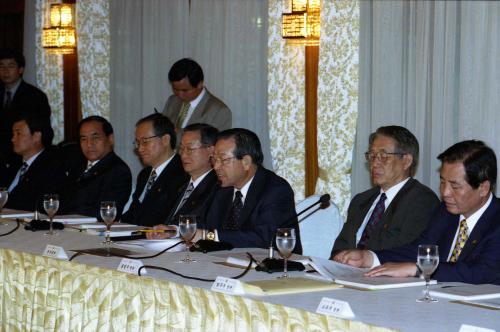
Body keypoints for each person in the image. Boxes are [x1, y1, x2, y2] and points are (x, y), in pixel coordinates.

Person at [334, 140, 500, 285]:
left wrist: (419, 269)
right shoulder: (446, 211)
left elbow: (481, 271)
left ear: (483, 188)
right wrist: (369, 257)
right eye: (442, 182)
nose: (445, 193)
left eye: (455, 186)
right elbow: (419, 250)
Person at [331, 126, 439, 256]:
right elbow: (340, 247)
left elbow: (405, 253)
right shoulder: (361, 200)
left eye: (383, 156)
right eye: (372, 155)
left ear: (406, 161)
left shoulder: (422, 201)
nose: (374, 163)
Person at [198, 128, 302, 252]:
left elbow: (263, 238)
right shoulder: (222, 188)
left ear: (246, 162)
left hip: (274, 265)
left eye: (223, 160)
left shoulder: (276, 189)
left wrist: (209, 235)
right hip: (226, 262)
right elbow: (205, 223)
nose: (216, 166)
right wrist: (177, 231)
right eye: (214, 160)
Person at [147, 123, 219, 239]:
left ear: (211, 150)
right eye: (181, 149)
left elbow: (205, 225)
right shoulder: (178, 183)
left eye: (190, 149)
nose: (183, 155)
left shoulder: (218, 187)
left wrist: (173, 231)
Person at [121, 113, 189, 227]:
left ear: (165, 140)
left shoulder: (182, 173)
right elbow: (134, 213)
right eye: (138, 143)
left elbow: (165, 218)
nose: (140, 148)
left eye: (145, 142)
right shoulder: (145, 174)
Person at [58, 116, 132, 220]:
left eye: (95, 138)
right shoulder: (77, 166)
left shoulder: (118, 171)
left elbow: (103, 213)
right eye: (83, 139)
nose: (89, 144)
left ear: (110, 139)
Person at [0, 49, 51, 184]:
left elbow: (44, 131)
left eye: (10, 66)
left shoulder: (35, 96)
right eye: (2, 66)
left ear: (21, 69)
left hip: (21, 158)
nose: (5, 71)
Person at [3, 113, 65, 211]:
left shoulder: (51, 168)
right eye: (13, 134)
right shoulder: (12, 165)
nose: (13, 139)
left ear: (36, 136)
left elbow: (37, 204)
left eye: (18, 134)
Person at [161, 58, 231, 135]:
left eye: (185, 90)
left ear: (199, 84)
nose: (179, 95)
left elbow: (213, 144)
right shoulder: (172, 100)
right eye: (175, 89)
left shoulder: (219, 111)